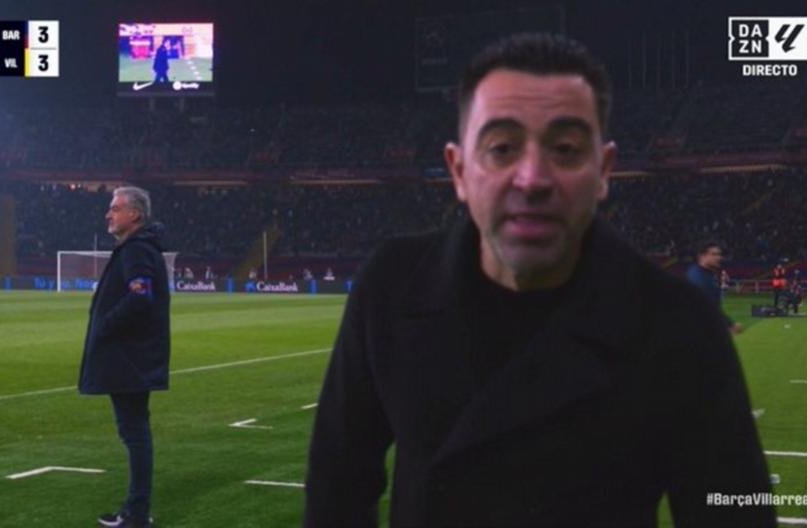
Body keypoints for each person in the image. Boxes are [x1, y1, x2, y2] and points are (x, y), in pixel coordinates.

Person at [304, 33, 774, 527]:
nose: (531, 178)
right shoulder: (392, 288)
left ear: (603, 171)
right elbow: (338, 486)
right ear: (459, 171)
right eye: (502, 148)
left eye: (566, 149)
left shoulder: (679, 324)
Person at [79, 186, 170, 528]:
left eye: (115, 208)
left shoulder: (136, 249)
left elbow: (140, 298)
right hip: (135, 357)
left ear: (135, 214)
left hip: (129, 359)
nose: (108, 214)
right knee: (135, 431)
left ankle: (136, 513)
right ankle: (137, 510)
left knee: (134, 433)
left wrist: (105, 325)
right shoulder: (140, 248)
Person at [686, 242, 744, 334]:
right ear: (702, 256)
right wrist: (731, 325)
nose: (719, 257)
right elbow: (708, 308)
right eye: (713, 254)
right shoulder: (700, 279)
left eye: (719, 254)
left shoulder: (702, 273)